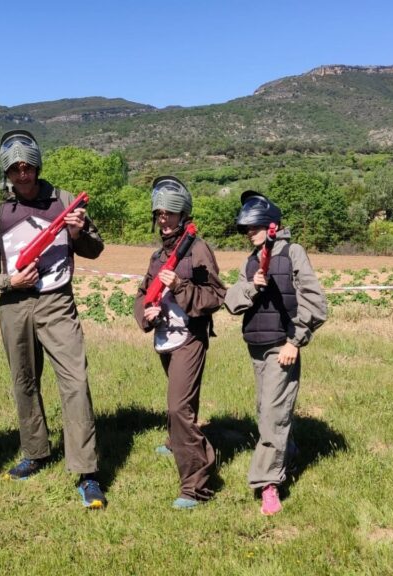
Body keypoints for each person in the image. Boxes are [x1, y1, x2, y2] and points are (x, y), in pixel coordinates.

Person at [0, 129, 107, 509]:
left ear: (37, 164)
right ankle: (36, 451)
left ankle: (87, 471)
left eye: (27, 166)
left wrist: (78, 233)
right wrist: (8, 281)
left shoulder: (65, 201)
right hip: (15, 306)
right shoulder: (0, 215)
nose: (23, 174)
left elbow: (96, 249)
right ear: (7, 174)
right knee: (24, 383)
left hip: (57, 303)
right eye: (14, 169)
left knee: (75, 383)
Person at [224, 191, 327, 516]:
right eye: (245, 230)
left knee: (272, 414)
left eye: (252, 228)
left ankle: (267, 483)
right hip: (256, 346)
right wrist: (252, 286)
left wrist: (294, 341)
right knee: (267, 410)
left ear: (270, 224)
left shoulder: (293, 252)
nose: (248, 234)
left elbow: (316, 302)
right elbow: (232, 302)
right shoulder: (250, 260)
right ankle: (289, 449)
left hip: (283, 347)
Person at [133, 176, 226, 510]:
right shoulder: (158, 254)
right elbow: (143, 293)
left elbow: (216, 296)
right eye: (159, 213)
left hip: (191, 336)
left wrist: (181, 287)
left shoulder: (198, 249)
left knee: (177, 406)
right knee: (182, 399)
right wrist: (147, 313)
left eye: (170, 213)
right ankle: (176, 442)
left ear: (183, 214)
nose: (163, 219)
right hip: (165, 335)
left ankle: (196, 485)